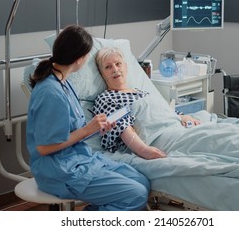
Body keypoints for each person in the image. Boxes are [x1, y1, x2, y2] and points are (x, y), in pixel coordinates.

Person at [26, 25, 150, 211]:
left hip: (80, 157)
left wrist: (96, 127)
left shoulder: (64, 83)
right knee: (136, 194)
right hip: (60, 170)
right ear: (79, 59)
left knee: (141, 181)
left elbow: (70, 131)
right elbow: (44, 147)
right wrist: (87, 130)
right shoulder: (50, 93)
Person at [93, 46, 200, 160]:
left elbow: (162, 110)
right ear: (102, 74)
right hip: (157, 136)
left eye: (118, 64)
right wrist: (144, 150)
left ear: (126, 67)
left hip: (176, 126)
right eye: (108, 67)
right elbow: (121, 126)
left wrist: (183, 116)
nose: (115, 69)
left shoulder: (141, 92)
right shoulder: (106, 98)